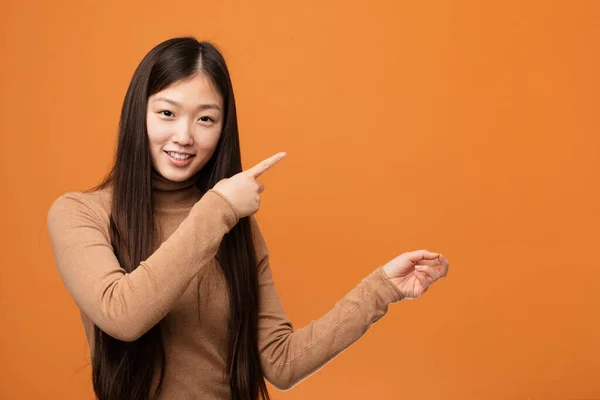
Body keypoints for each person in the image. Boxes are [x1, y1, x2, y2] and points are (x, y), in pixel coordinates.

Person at [47, 37, 449, 400]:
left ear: (223, 129)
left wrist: (380, 289)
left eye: (206, 119)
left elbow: (281, 362)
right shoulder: (81, 213)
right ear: (139, 113)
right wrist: (219, 209)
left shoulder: (231, 224)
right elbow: (123, 314)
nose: (185, 136)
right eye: (167, 113)